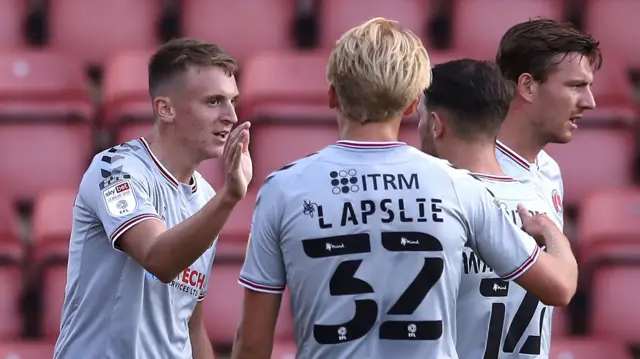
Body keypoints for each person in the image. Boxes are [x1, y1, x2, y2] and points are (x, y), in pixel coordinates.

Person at [231, 18, 577, 359]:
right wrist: (553, 234)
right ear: (413, 104)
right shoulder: (457, 186)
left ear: (332, 95)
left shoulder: (283, 189)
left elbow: (253, 343)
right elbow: (559, 287)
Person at [53, 38, 253, 359]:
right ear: (166, 109)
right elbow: (159, 260)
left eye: (233, 101)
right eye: (214, 101)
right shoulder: (115, 170)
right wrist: (230, 197)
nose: (230, 115)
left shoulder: (205, 197)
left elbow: (188, 319)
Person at [418, 59, 572, 359]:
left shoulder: (433, 203)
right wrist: (555, 236)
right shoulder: (538, 202)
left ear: (436, 125)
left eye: (421, 117)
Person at [495, 18, 602, 227]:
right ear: (527, 86)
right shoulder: (471, 172)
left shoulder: (549, 170)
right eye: (576, 86)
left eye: (589, 87)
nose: (590, 103)